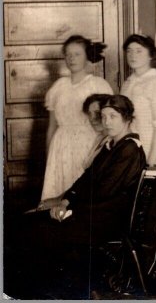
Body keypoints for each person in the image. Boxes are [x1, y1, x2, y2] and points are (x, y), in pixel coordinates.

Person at [9, 95, 146, 299]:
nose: (106, 122)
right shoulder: (111, 145)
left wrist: (69, 209)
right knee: (22, 221)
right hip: (91, 212)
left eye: (113, 116)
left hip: (105, 220)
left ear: (127, 118)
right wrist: (65, 200)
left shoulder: (130, 148)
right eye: (104, 116)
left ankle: (41, 294)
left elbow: (104, 192)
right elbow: (86, 179)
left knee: (35, 232)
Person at [40, 36, 113, 200]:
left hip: (88, 144)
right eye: (68, 54)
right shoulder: (58, 87)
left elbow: (108, 125)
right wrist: (49, 155)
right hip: (61, 146)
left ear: (87, 56)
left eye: (77, 54)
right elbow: (52, 126)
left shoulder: (98, 84)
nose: (71, 58)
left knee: (81, 192)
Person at [120, 34, 156, 165]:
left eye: (139, 51)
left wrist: (150, 163)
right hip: (130, 151)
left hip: (152, 152)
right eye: (129, 51)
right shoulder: (127, 84)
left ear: (150, 55)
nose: (133, 55)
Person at [81, 93, 113, 167]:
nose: (92, 119)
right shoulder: (99, 138)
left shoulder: (113, 142)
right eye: (89, 114)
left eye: (97, 113)